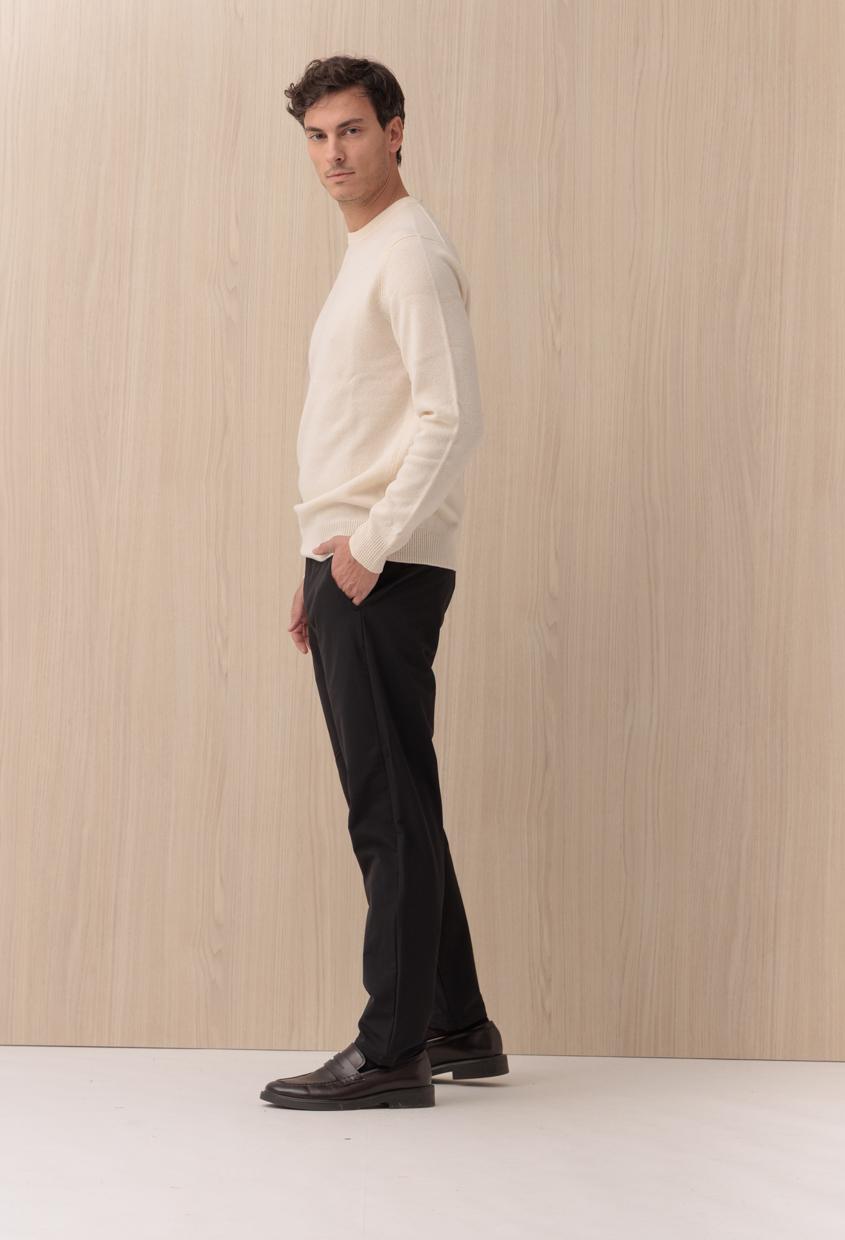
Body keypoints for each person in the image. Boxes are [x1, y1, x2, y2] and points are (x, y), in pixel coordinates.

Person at [260, 56, 508, 1111]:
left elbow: (452, 417)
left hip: (384, 566)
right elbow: (360, 425)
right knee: (403, 797)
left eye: (352, 131)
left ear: (395, 131)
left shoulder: (408, 251)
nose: (333, 154)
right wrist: (317, 554)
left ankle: (391, 1048)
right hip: (355, 560)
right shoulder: (371, 250)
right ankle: (457, 1024)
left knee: (385, 809)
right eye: (317, 137)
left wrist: (362, 548)